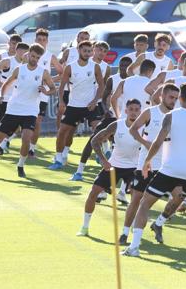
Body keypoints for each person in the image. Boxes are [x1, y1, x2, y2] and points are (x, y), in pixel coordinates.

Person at [122, 84, 186, 257]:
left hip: (169, 169)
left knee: (144, 204)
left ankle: (134, 246)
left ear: (180, 98)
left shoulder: (170, 116)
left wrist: (147, 161)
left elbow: (158, 141)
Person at [0, 44, 55, 178]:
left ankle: (20, 166)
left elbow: (53, 89)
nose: (34, 59)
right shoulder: (19, 69)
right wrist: (1, 95)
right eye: (33, 56)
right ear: (28, 54)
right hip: (14, 109)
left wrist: (46, 92)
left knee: (26, 138)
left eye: (37, 57)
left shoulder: (43, 72)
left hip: (30, 110)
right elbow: (6, 84)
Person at [118, 83, 180, 245]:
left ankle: (159, 223)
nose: (173, 101)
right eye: (171, 97)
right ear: (162, 96)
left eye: (176, 98)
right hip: (146, 163)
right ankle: (125, 233)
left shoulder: (177, 115)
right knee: (137, 199)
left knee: (180, 197)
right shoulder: (149, 112)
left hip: (167, 165)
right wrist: (145, 143)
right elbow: (133, 129)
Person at [77, 99, 143, 237]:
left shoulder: (144, 127)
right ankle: (84, 227)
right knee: (94, 192)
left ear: (140, 111)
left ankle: (128, 230)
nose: (134, 112)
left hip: (134, 168)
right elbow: (95, 141)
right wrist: (103, 160)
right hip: (114, 166)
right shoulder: (116, 125)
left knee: (137, 197)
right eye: (131, 109)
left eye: (137, 110)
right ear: (125, 111)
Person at [68, 52, 127, 183]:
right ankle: (79, 171)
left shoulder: (133, 80)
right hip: (113, 117)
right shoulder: (113, 79)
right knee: (93, 139)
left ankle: (126, 181)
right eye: (121, 65)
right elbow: (105, 96)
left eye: (126, 65)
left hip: (128, 120)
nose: (123, 67)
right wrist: (106, 110)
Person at [49, 41, 105, 170]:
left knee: (98, 130)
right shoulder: (70, 67)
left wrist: (95, 100)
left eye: (89, 51)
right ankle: (58, 159)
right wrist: (62, 101)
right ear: (79, 51)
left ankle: (100, 157)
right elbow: (62, 86)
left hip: (90, 106)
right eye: (84, 50)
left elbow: (101, 85)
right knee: (63, 131)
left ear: (92, 52)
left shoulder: (95, 67)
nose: (87, 53)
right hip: (73, 106)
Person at [0, 43, 30, 156]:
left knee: (15, 124)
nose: (25, 55)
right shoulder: (7, 61)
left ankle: (2, 145)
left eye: (26, 52)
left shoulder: (26, 65)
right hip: (3, 97)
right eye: (23, 52)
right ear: (17, 51)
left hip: (15, 99)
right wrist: (0, 83)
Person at [56, 30, 91, 163]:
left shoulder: (89, 55)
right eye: (81, 37)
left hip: (80, 93)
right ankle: (59, 143)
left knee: (72, 126)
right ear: (77, 38)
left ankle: (66, 148)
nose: (82, 40)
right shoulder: (69, 51)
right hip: (66, 89)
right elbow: (60, 65)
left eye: (85, 38)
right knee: (61, 114)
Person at [30, 29, 64, 157]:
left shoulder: (50, 56)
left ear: (47, 42)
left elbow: (62, 73)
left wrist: (49, 80)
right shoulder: (28, 55)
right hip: (26, 92)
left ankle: (31, 148)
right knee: (22, 120)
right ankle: (6, 142)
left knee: (37, 121)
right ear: (35, 40)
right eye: (39, 39)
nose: (42, 42)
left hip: (42, 93)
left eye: (44, 40)